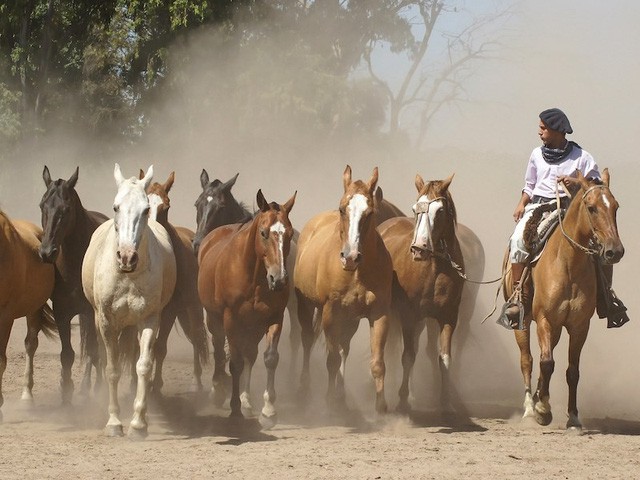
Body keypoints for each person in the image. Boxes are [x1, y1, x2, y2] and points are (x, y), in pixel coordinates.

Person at [499, 107, 629, 330]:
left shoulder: (582, 157)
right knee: (518, 241)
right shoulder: (536, 155)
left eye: (543, 128)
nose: (539, 132)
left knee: (601, 248)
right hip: (539, 207)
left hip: (572, 210)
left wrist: (575, 182)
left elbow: (598, 187)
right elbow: (529, 185)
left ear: (557, 131)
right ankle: (518, 297)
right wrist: (522, 203)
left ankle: (606, 298)